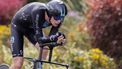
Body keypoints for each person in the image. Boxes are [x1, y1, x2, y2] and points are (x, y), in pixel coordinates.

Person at [10, 0, 67, 69]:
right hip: (18, 27)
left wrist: (58, 42)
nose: (59, 21)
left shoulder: (58, 20)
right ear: (49, 14)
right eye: (57, 18)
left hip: (31, 29)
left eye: (61, 18)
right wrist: (54, 38)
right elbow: (41, 40)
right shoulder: (38, 11)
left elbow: (49, 42)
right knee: (18, 64)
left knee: (45, 49)